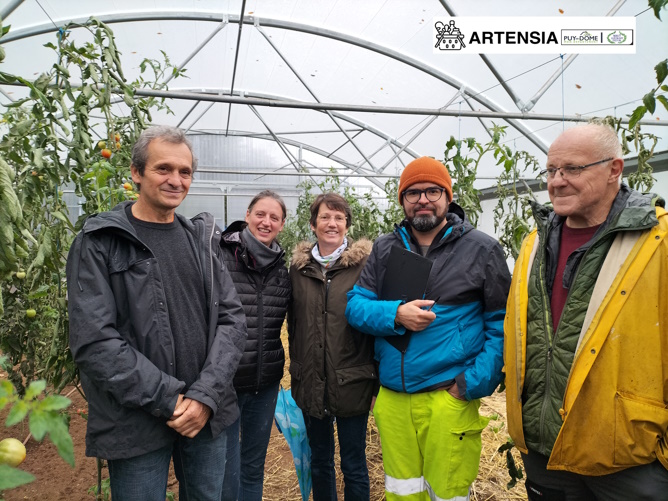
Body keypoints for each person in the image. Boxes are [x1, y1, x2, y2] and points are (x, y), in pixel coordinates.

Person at [66, 125, 247, 501]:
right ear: (136, 173)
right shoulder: (101, 241)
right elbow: (94, 339)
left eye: (185, 172)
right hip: (135, 420)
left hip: (205, 416)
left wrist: (204, 396)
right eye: (163, 169)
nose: (176, 180)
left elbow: (232, 320)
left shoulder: (200, 240)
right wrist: (172, 400)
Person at [504, 123, 668, 500]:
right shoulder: (534, 242)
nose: (557, 182)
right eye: (551, 171)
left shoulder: (656, 241)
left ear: (614, 169)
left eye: (572, 169)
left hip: (627, 458)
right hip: (545, 447)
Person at [345, 157, 510, 501]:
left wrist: (468, 386)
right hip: (394, 399)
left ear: (448, 198)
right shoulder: (385, 248)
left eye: (433, 191)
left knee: (446, 493)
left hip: (446, 395)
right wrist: (396, 314)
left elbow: (502, 326)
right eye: (413, 192)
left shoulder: (482, 250)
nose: (423, 199)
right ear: (402, 201)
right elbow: (355, 308)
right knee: (402, 492)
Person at [288, 192, 375, 500]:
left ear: (347, 225)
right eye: (325, 217)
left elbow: (375, 327)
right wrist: (297, 371)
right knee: (321, 461)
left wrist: (376, 382)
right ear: (313, 225)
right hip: (311, 381)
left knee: (353, 462)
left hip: (352, 381)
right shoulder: (299, 270)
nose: (332, 223)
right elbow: (294, 327)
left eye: (339, 217)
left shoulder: (365, 267)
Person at [220, 190, 291, 501]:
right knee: (226, 469)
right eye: (260, 214)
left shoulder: (282, 271)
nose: (266, 221)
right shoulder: (220, 256)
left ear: (282, 225)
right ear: (247, 215)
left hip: (265, 384)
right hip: (225, 384)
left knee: (253, 465)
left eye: (274, 217)